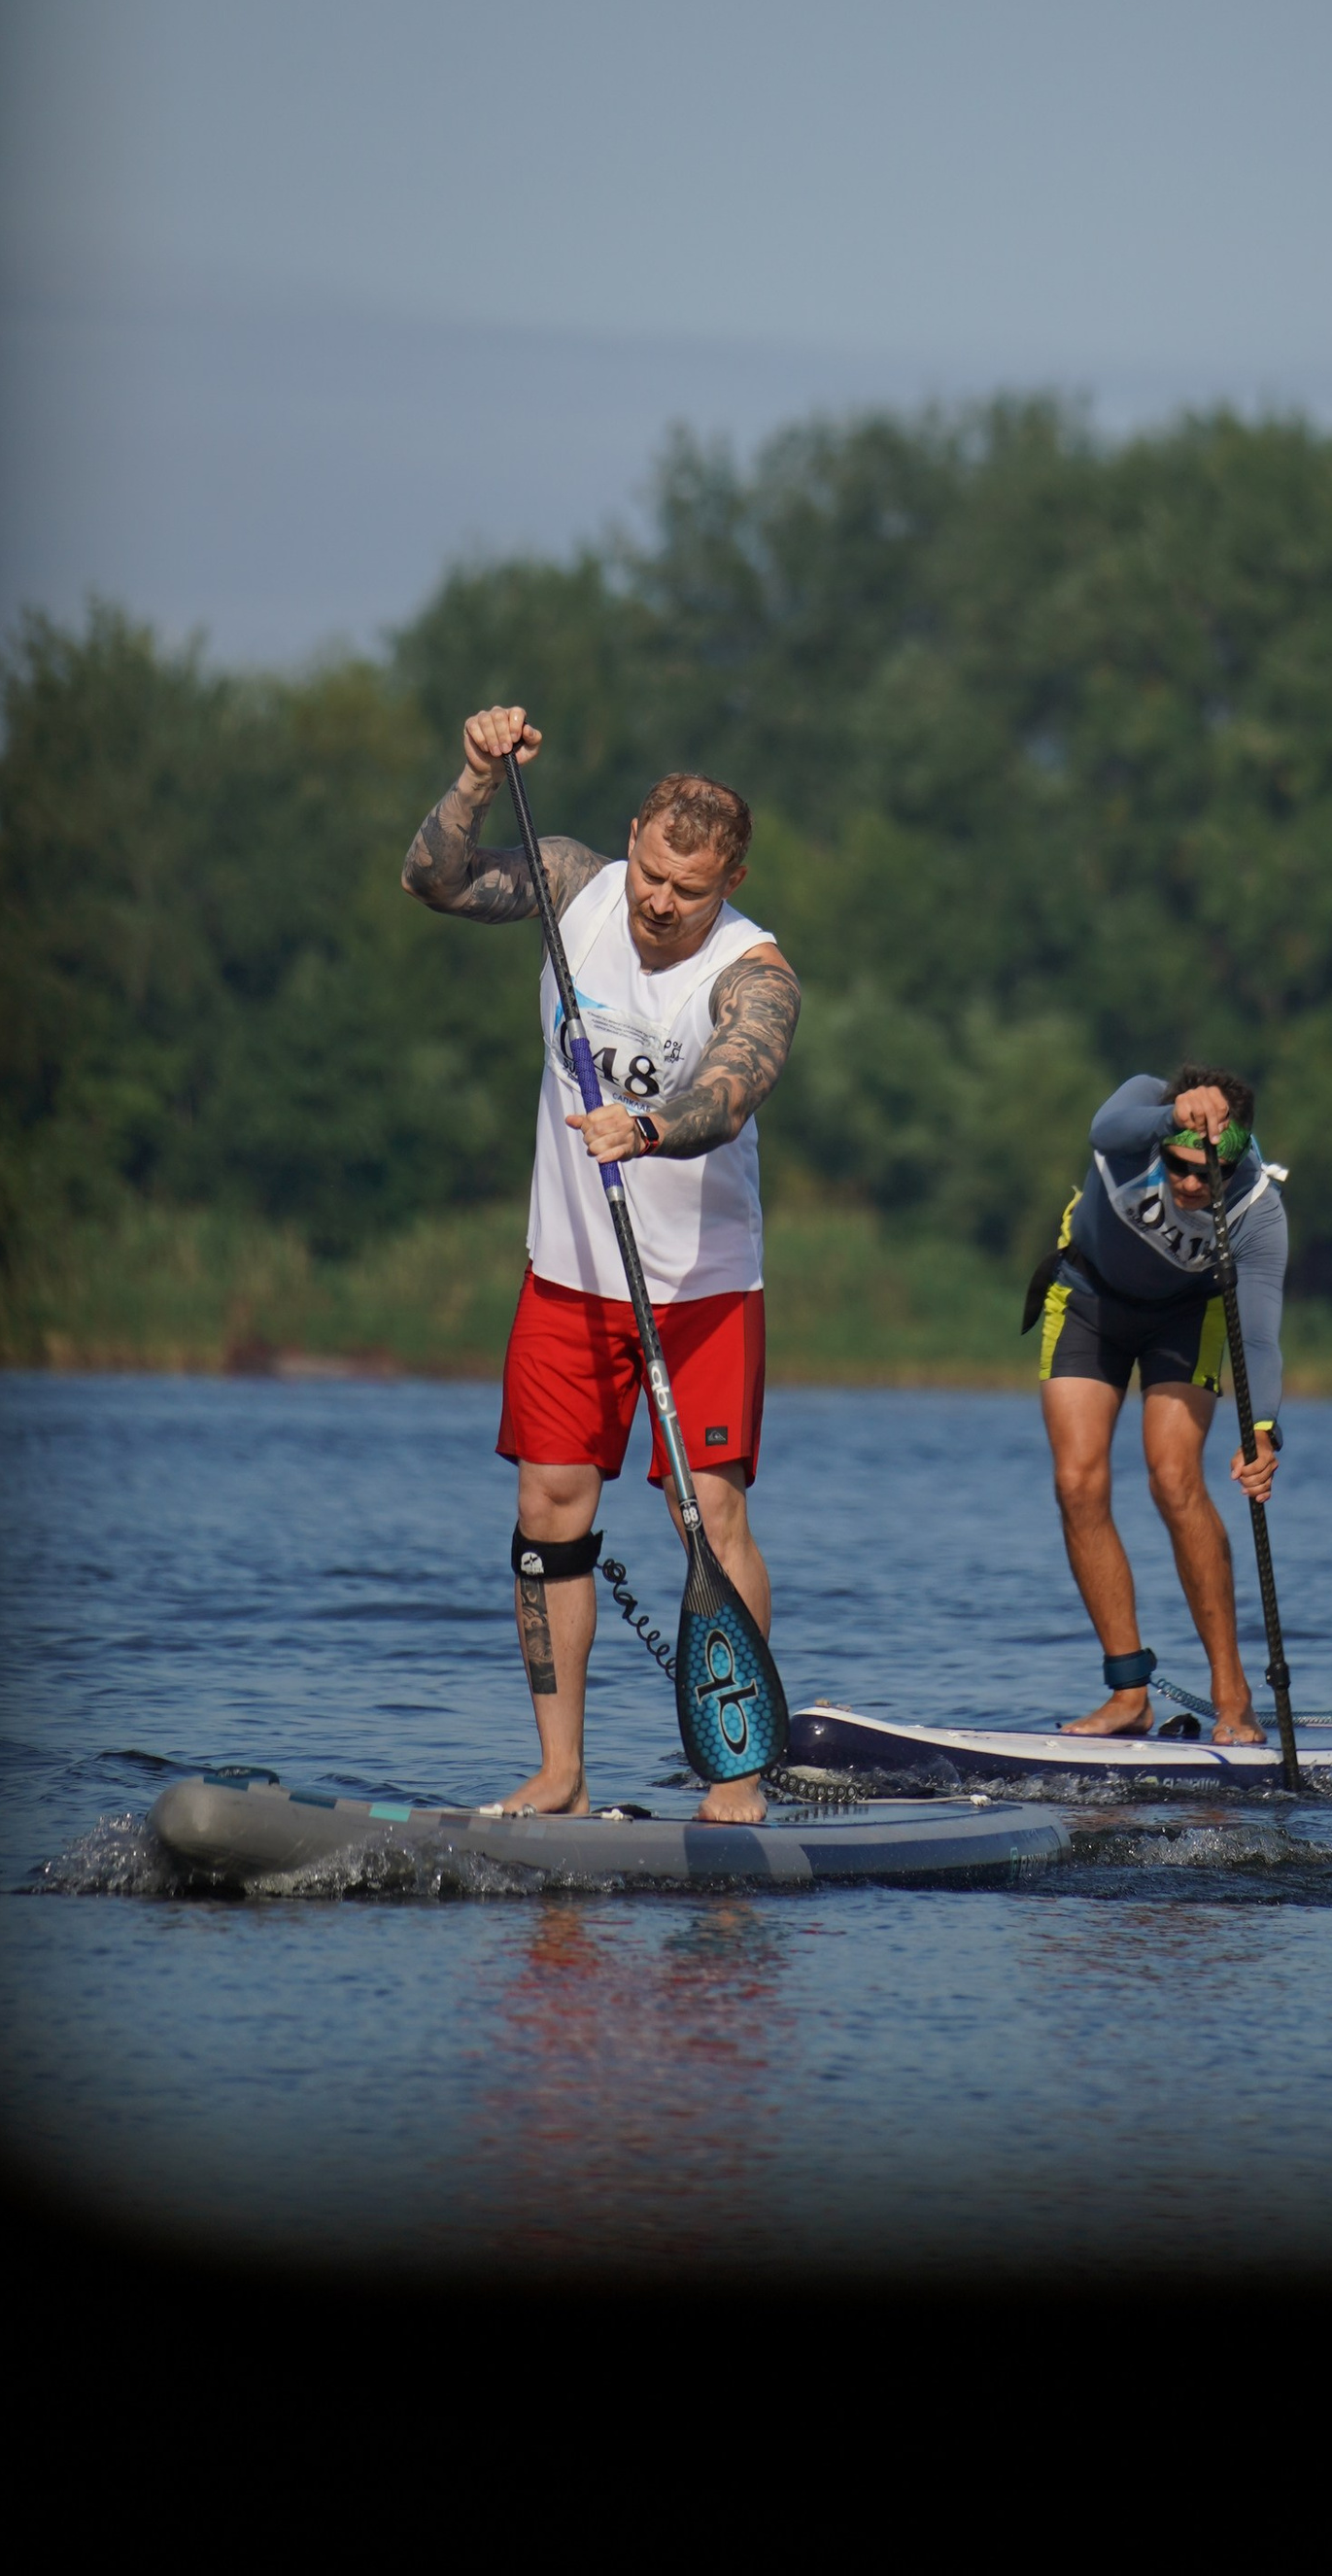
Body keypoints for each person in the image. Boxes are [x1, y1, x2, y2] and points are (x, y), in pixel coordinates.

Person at [402, 704, 800, 1827]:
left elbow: (737, 1079)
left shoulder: (753, 968)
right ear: (631, 840)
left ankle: (737, 1777)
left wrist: (652, 1127)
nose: (659, 901)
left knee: (707, 1520)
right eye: (650, 872)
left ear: (730, 880)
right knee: (549, 1508)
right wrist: (476, 775)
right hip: (570, 1270)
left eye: (689, 886)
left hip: (701, 1287)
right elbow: (430, 879)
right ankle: (561, 1774)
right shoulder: (575, 882)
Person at [1032, 1065, 1286, 1745]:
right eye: (1178, 1167)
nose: (1191, 1185)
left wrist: (1262, 1430)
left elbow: (1258, 1336)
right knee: (1077, 1481)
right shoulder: (1140, 1118)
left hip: (1183, 1321)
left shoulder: (1257, 1212)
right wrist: (1173, 1114)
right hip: (1087, 1301)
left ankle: (1233, 1696)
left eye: (1208, 1175)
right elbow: (1103, 1126)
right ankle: (1128, 1694)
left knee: (1174, 1478)